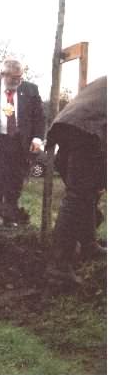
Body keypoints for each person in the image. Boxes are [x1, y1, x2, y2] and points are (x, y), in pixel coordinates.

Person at [46, 76, 107, 284]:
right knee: (78, 196)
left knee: (85, 192)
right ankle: (59, 267)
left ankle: (89, 245)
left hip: (67, 126)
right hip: (89, 130)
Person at [0, 58, 45, 229]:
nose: (18, 81)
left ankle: (9, 217)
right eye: (13, 78)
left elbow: (39, 117)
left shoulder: (30, 89)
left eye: (20, 77)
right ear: (2, 75)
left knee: (14, 182)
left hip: (20, 143)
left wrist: (37, 138)